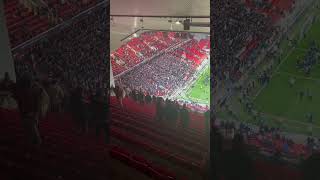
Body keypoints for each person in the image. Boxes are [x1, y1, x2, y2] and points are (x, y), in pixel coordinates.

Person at [13, 74, 46, 145]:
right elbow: (37, 107)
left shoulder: (20, 93)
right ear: (29, 83)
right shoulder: (31, 93)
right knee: (36, 140)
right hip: (30, 118)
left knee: (28, 136)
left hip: (25, 117)